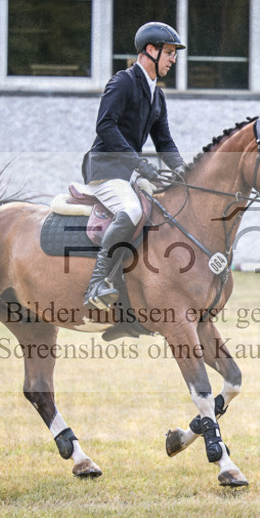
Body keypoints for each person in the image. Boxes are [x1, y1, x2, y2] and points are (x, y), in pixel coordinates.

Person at [81, 21, 188, 311]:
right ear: (149, 51)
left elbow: (164, 140)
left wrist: (184, 171)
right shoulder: (123, 82)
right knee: (132, 211)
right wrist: (139, 164)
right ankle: (96, 284)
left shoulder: (157, 94)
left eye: (174, 54)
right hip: (103, 172)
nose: (173, 59)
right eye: (168, 52)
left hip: (125, 174)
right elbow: (105, 126)